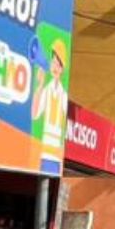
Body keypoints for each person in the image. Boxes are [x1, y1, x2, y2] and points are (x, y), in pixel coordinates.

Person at [31, 39, 69, 167]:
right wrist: (39, 86)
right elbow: (35, 114)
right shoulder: (47, 89)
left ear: (63, 69)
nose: (55, 67)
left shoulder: (64, 95)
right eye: (53, 62)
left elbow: (66, 126)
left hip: (56, 156)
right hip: (43, 152)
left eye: (59, 64)